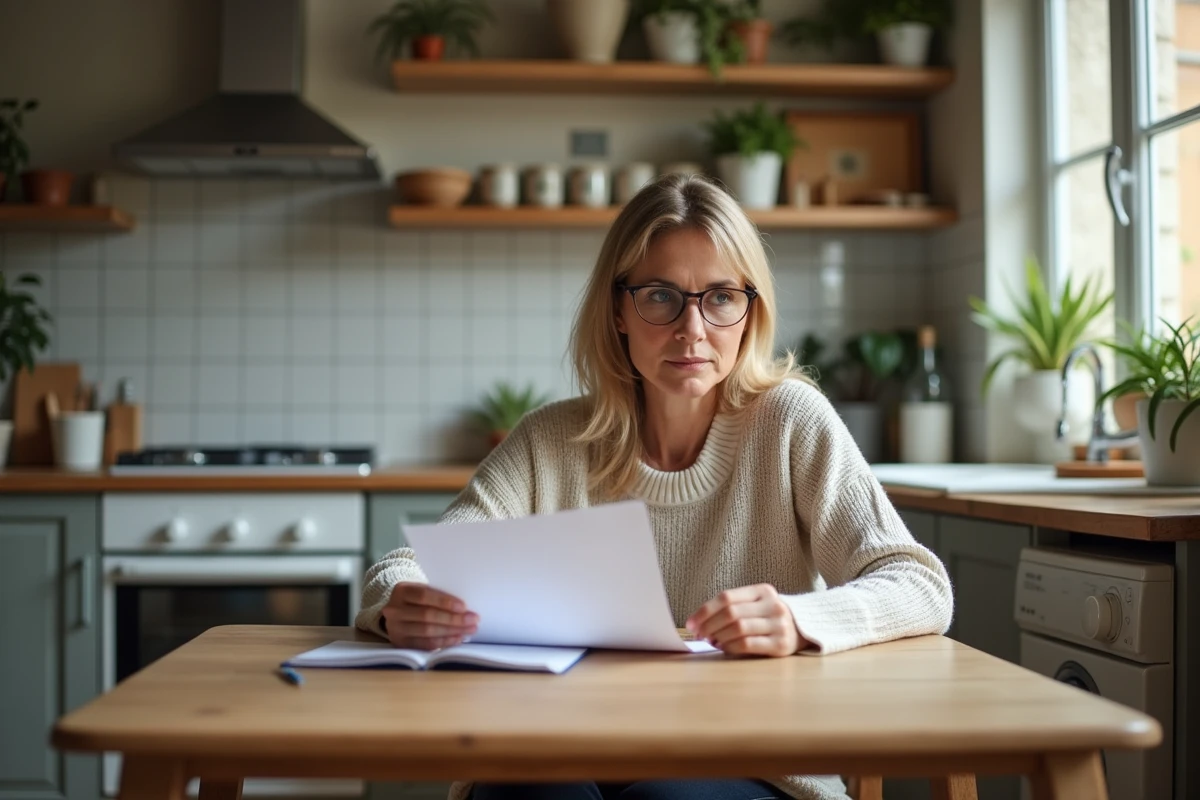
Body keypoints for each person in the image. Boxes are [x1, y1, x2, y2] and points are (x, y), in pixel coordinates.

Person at [356, 173, 954, 800]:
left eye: (721, 297)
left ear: (751, 310)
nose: (692, 329)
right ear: (618, 309)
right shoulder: (550, 440)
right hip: (564, 748)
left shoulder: (790, 422)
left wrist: (798, 619)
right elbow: (407, 566)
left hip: (751, 763)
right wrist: (403, 602)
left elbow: (919, 583)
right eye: (661, 297)